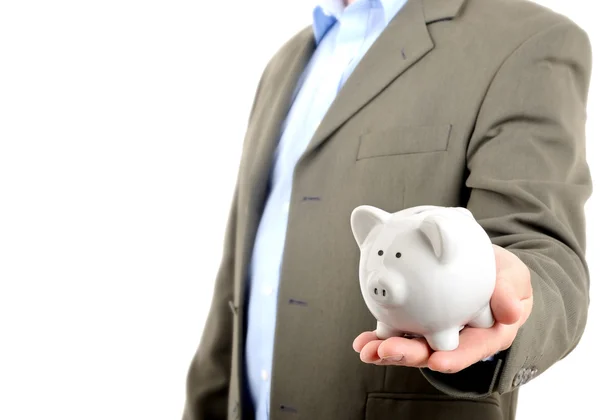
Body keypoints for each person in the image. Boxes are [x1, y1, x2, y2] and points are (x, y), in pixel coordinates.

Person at [182, 0, 593, 418]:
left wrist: (504, 302)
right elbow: (239, 283)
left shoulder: (525, 40)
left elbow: (545, 256)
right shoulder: (285, 63)